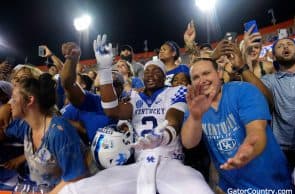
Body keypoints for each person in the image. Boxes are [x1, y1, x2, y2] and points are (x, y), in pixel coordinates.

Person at [59, 34, 213, 194]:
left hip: (170, 161)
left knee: (199, 189)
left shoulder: (176, 91)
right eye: (148, 72)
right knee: (73, 190)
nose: (151, 74)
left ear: (164, 76)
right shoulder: (134, 96)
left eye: (156, 71)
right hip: (140, 164)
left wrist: (162, 137)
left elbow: (174, 118)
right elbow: (111, 110)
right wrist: (104, 70)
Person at [181, 43, 295, 192]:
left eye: (206, 73)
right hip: (233, 186)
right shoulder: (196, 105)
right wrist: (195, 117)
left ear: (219, 74)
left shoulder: (243, 91)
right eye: (196, 77)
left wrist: (248, 150)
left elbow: (257, 131)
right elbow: (189, 143)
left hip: (271, 183)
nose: (202, 80)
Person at [4, 73, 88, 194]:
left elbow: (76, 178)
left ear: (30, 100)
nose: (10, 103)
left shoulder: (59, 132)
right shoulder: (27, 128)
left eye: (14, 98)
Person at [229, 36, 295, 171]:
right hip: (280, 150)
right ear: (273, 56)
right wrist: (242, 66)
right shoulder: (269, 80)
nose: (285, 47)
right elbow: (254, 94)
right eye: (279, 46)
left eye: (289, 44)